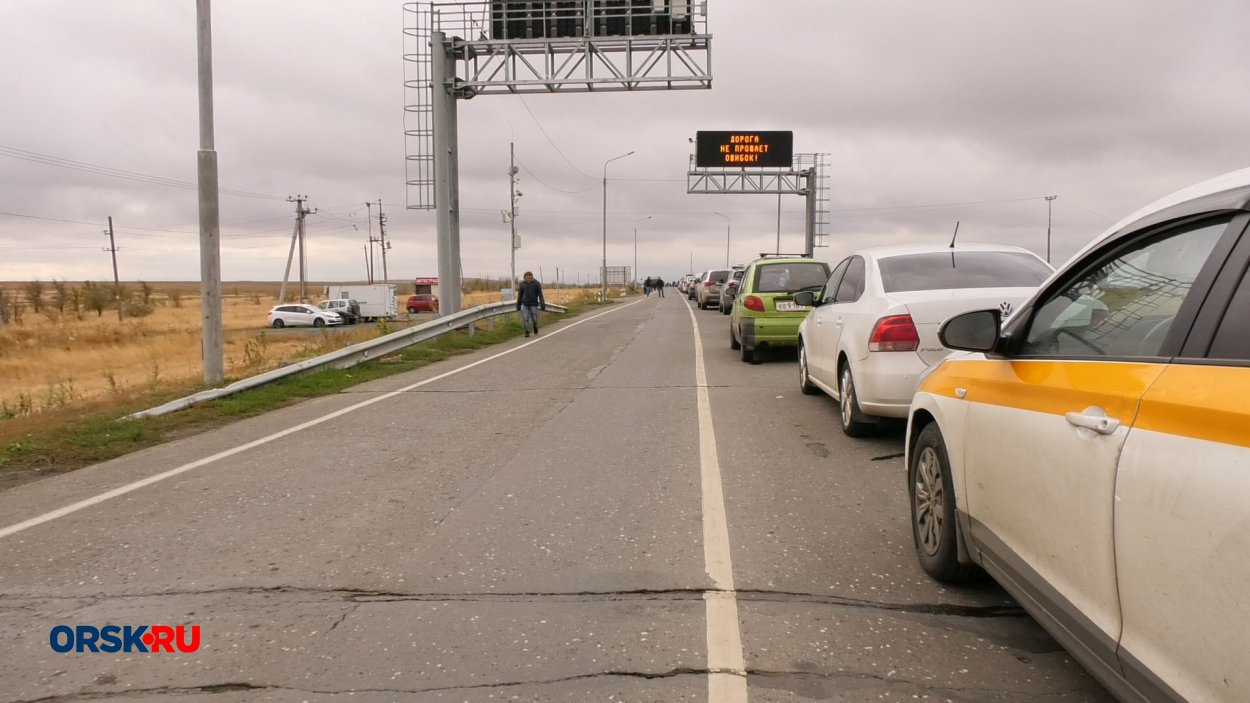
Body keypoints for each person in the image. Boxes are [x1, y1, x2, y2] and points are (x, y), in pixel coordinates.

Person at [516, 271, 545, 337]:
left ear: (532, 277)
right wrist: (518, 305)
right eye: (526, 278)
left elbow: (540, 294)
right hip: (524, 304)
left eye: (529, 278)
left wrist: (542, 303)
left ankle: (535, 327)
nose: (528, 279)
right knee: (525, 318)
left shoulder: (537, 283)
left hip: (533, 304)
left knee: (534, 319)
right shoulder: (522, 284)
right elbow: (519, 295)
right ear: (524, 278)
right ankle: (527, 331)